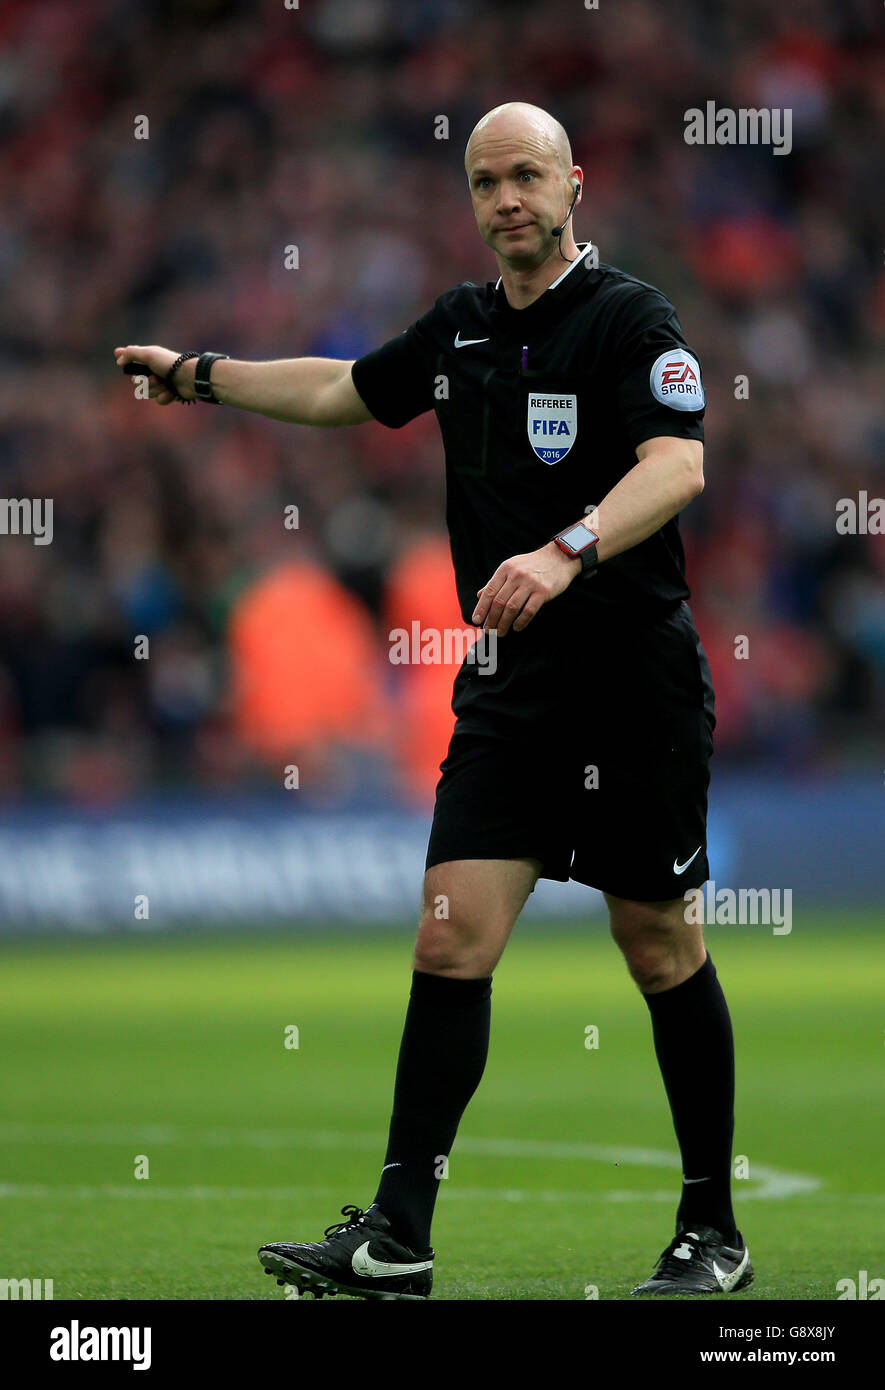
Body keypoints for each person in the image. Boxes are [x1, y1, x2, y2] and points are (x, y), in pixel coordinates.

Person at [114, 101, 751, 1300]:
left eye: (525, 176)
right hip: (512, 690)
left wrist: (567, 549)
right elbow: (341, 390)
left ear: (574, 184)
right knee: (451, 935)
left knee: (658, 943)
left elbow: (679, 463)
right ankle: (397, 1235)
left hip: (632, 678)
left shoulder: (633, 320)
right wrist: (197, 376)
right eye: (484, 182)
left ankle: (712, 1228)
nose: (506, 199)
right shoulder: (458, 331)